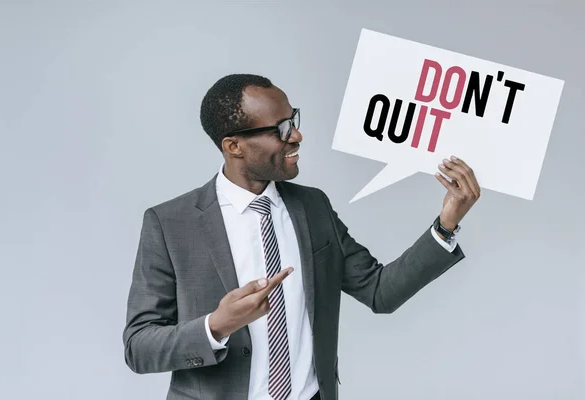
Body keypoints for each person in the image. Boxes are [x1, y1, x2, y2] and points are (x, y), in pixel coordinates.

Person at [122, 74, 481, 400]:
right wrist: (216, 326)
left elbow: (379, 291)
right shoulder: (170, 223)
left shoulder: (313, 207)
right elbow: (139, 346)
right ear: (234, 146)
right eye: (280, 128)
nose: (296, 135)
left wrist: (446, 223)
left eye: (293, 120)